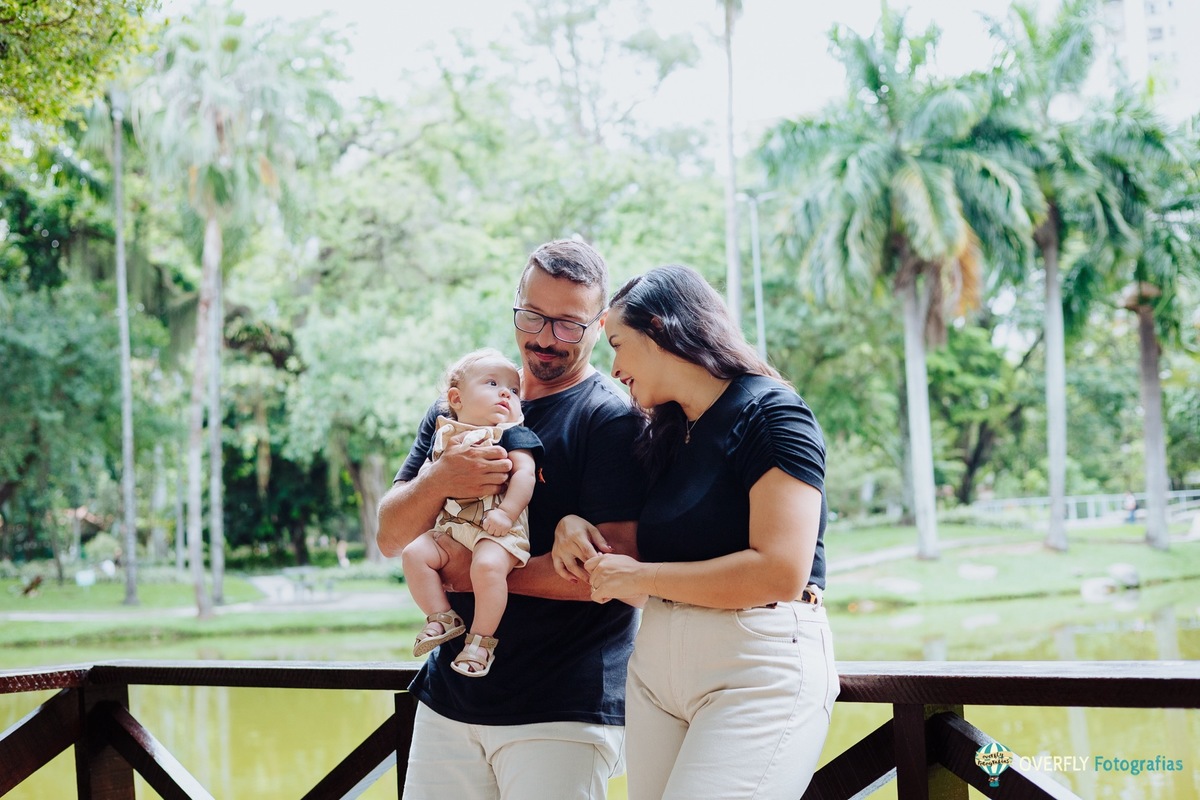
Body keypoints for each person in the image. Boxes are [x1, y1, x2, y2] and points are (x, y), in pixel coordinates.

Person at [554, 264, 838, 800]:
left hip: (756, 664)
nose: (614, 368)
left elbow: (779, 572)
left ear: (659, 329)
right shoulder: (666, 435)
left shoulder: (772, 413)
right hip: (657, 668)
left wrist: (641, 575)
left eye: (617, 344)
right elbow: (638, 571)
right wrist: (574, 529)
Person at [376, 240, 645, 800]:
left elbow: (619, 572)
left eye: (568, 325)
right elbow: (390, 536)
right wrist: (440, 481)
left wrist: (478, 573)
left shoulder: (610, 417)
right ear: (515, 305)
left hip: (563, 707)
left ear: (598, 325)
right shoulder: (457, 409)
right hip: (448, 697)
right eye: (533, 316)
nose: (546, 337)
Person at [401, 348, 543, 677]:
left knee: (487, 566)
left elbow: (524, 476)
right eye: (492, 383)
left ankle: (481, 640)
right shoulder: (444, 435)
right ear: (457, 398)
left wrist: (507, 513)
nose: (506, 392)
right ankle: (442, 616)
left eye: (514, 390)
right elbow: (426, 479)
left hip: (499, 531)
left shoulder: (513, 435)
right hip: (452, 528)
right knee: (414, 554)